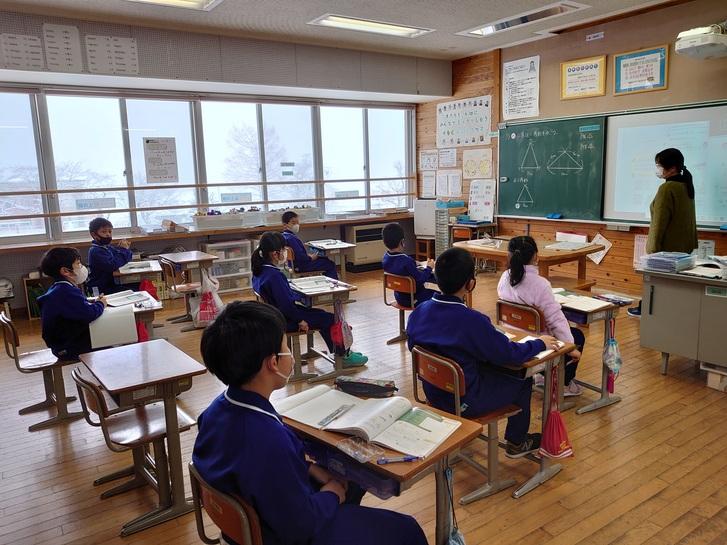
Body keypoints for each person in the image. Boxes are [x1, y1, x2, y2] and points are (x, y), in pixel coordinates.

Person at [192, 301, 427, 545]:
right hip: (287, 534)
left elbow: (258, 469)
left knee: (351, 479)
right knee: (405, 529)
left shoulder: (214, 412)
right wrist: (331, 495)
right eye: (285, 346)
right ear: (273, 363)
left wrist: (310, 468)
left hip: (255, 523)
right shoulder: (268, 439)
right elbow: (301, 526)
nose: (290, 353)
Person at [406, 247, 560, 458]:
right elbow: (510, 354)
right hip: (464, 401)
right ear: (471, 284)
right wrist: (540, 344)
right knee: (523, 379)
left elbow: (415, 347)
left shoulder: (419, 312)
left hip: (433, 391)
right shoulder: (472, 321)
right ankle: (517, 441)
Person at [252, 231, 367, 367]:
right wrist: (300, 320)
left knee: (321, 314)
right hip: (286, 320)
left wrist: (295, 296)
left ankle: (339, 353)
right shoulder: (275, 275)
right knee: (330, 319)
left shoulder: (259, 271)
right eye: (283, 250)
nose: (285, 253)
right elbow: (286, 305)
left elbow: (281, 298)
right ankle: (343, 357)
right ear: (274, 254)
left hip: (276, 317)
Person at [497, 236, 584, 396]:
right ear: (536, 256)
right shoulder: (540, 284)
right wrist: (570, 347)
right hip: (537, 340)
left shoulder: (504, 277)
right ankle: (562, 384)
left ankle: (543, 377)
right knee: (577, 335)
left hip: (513, 336)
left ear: (509, 256)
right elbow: (555, 319)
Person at [628, 148, 697, 317]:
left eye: (660, 165)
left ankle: (647, 311)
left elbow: (658, 223)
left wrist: (652, 252)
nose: (658, 169)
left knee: (657, 290)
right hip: (683, 249)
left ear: (672, 168)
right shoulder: (686, 186)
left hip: (665, 252)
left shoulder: (667, 189)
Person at [37, 247, 107, 360]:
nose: (82, 267)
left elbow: (77, 307)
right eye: (78, 264)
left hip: (63, 345)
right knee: (113, 340)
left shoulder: (59, 288)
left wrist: (90, 302)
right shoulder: (66, 292)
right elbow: (89, 314)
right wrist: (101, 304)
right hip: (68, 348)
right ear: (65, 271)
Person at [381, 222, 436, 308]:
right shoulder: (407, 261)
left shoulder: (385, 258)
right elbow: (421, 279)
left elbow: (399, 265)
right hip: (414, 299)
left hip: (400, 297)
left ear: (384, 242)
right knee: (439, 290)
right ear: (402, 241)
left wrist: (414, 263)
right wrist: (429, 267)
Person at [282, 211, 338, 279]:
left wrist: (308, 256)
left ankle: (325, 281)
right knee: (330, 264)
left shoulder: (285, 236)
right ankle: (332, 283)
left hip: (292, 265)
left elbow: (298, 254)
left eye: (297, 223)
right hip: (301, 266)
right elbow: (300, 257)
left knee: (324, 259)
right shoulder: (291, 238)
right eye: (293, 223)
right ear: (285, 225)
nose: (296, 225)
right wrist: (310, 258)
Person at [86, 217, 133, 296]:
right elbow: (112, 265)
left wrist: (124, 249)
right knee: (132, 291)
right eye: (104, 232)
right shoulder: (96, 251)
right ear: (94, 234)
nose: (108, 234)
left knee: (133, 288)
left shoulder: (107, 247)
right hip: (100, 289)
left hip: (108, 284)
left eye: (110, 231)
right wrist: (124, 250)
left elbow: (125, 258)